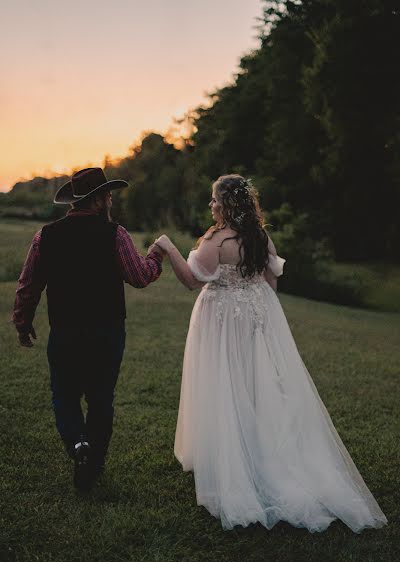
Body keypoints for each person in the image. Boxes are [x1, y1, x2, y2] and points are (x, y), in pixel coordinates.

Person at [153, 173, 388, 533]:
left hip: (221, 320)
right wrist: (252, 305)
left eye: (215, 199)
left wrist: (168, 247)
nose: (211, 205)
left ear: (227, 203)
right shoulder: (260, 236)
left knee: (226, 383)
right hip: (256, 319)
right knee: (255, 384)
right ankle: (260, 450)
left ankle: (235, 459)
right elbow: (271, 283)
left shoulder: (216, 240)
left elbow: (191, 281)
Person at [12, 167, 164, 491]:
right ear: (96, 200)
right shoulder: (115, 234)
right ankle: (92, 459)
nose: (111, 200)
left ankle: (78, 446)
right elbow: (139, 276)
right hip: (107, 333)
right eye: (107, 195)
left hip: (64, 333)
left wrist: (22, 324)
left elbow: (28, 285)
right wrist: (155, 256)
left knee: (63, 396)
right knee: (100, 398)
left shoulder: (45, 236)